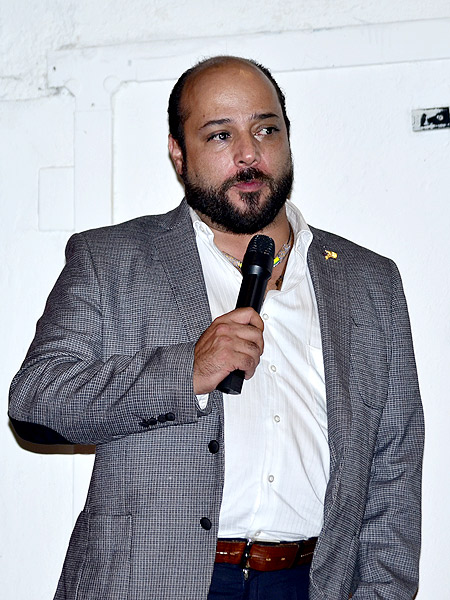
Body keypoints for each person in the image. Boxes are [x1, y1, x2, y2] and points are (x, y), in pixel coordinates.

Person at [9, 56, 424, 600]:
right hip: (152, 583)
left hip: (310, 583)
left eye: (266, 129)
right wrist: (187, 371)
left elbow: (395, 463)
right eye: (220, 135)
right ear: (178, 153)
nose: (249, 153)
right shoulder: (112, 260)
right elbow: (36, 403)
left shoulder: (368, 281)